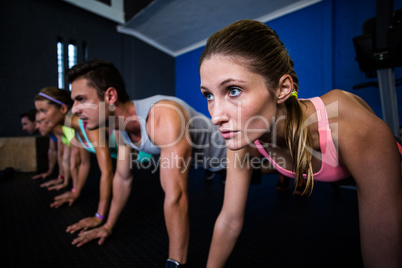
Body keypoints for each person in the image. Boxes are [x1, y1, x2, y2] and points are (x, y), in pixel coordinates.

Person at [198, 19, 402, 268]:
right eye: (208, 94)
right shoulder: (245, 138)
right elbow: (229, 220)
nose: (216, 115)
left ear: (283, 88)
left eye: (233, 90)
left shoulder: (348, 128)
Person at [66, 60, 228, 267]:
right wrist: (106, 224)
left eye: (80, 99)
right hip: (210, 164)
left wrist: (174, 263)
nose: (74, 110)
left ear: (110, 96)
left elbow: (176, 196)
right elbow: (123, 179)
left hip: (237, 153)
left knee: (269, 168)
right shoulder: (121, 129)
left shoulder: (163, 117)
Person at [34, 87, 114, 232]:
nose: (40, 118)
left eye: (43, 111)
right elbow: (83, 164)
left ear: (63, 109)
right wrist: (76, 191)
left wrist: (99, 217)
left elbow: (107, 172)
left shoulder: (89, 125)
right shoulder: (75, 129)